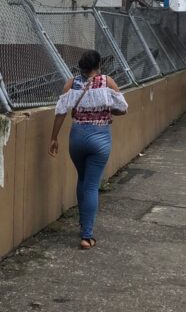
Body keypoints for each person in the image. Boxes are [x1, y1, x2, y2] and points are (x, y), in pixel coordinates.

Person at [49, 50, 128, 250]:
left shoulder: (72, 82)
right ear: (98, 65)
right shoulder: (107, 81)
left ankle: (84, 222)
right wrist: (107, 108)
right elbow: (122, 108)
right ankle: (87, 235)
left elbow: (60, 111)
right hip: (100, 138)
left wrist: (53, 138)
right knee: (92, 186)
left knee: (82, 179)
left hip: (76, 138)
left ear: (81, 66)